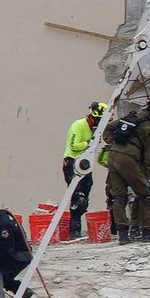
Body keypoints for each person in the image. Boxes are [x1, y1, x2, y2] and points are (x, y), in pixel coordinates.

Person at [103, 95, 150, 245]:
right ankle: (147, 231)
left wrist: (112, 142)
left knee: (119, 196)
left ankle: (123, 235)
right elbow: (148, 154)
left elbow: (108, 128)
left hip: (113, 156)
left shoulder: (130, 117)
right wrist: (146, 177)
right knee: (146, 194)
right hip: (128, 160)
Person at [62, 102, 108, 239]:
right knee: (77, 197)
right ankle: (74, 232)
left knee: (85, 195)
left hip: (85, 165)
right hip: (72, 163)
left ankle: (78, 229)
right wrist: (90, 142)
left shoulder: (94, 129)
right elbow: (74, 145)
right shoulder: (79, 125)